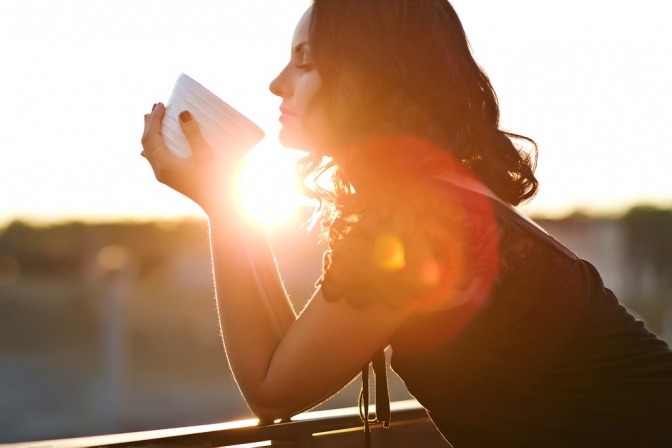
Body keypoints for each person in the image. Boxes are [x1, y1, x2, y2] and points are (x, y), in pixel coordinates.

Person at [141, 1, 672, 446]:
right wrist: (229, 201)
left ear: (371, 77)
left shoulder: (417, 217)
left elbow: (272, 390)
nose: (277, 83)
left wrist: (220, 204)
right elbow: (290, 357)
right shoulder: (431, 195)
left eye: (305, 61)